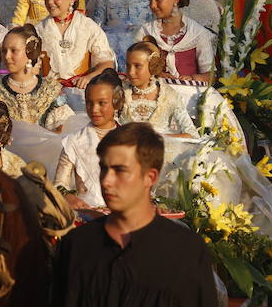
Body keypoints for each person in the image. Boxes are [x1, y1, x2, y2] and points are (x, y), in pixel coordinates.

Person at [51, 122, 218, 306]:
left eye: (120, 170)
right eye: (104, 168)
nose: (106, 181)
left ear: (150, 177)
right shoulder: (77, 245)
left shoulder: (185, 251)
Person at [0, 24, 73, 131]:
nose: (7, 56)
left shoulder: (50, 90)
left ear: (30, 51)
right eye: (4, 51)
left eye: (14, 50)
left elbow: (62, 132)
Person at [54, 69, 122, 210]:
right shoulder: (74, 142)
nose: (94, 109)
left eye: (101, 103)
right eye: (89, 103)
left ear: (116, 102)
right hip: (88, 215)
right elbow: (59, 185)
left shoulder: (131, 140)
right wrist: (68, 197)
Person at [35, 0, 114, 89]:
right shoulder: (38, 30)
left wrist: (88, 78)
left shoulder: (88, 27)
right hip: (47, 93)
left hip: (81, 92)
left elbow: (106, 64)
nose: (50, 2)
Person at [135, 0, 215, 82]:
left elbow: (210, 75)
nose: (152, 5)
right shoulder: (146, 31)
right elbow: (135, 66)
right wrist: (158, 75)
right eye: (150, 0)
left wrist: (192, 78)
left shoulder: (197, 33)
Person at [119, 40, 197, 138]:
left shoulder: (169, 96)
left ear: (152, 66)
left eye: (137, 66)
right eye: (128, 66)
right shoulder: (120, 92)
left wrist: (160, 138)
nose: (130, 72)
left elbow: (192, 134)